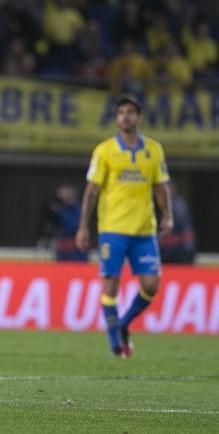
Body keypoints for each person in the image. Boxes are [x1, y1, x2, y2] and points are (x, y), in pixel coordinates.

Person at [75, 95, 173, 358]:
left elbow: (161, 187)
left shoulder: (154, 150)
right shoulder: (104, 150)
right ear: (117, 119)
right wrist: (83, 226)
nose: (125, 116)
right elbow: (92, 190)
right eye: (121, 113)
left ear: (139, 117)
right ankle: (116, 344)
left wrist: (167, 215)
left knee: (151, 285)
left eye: (130, 112)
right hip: (113, 229)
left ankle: (123, 323)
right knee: (111, 286)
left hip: (144, 230)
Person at [41, 184, 87, 262]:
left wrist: (60, 212)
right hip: (62, 250)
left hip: (76, 251)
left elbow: (74, 225)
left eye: (63, 194)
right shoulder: (62, 208)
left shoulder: (77, 209)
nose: (60, 197)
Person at [159, 183, 196, 264]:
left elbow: (176, 230)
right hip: (182, 248)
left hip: (180, 250)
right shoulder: (177, 202)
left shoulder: (177, 205)